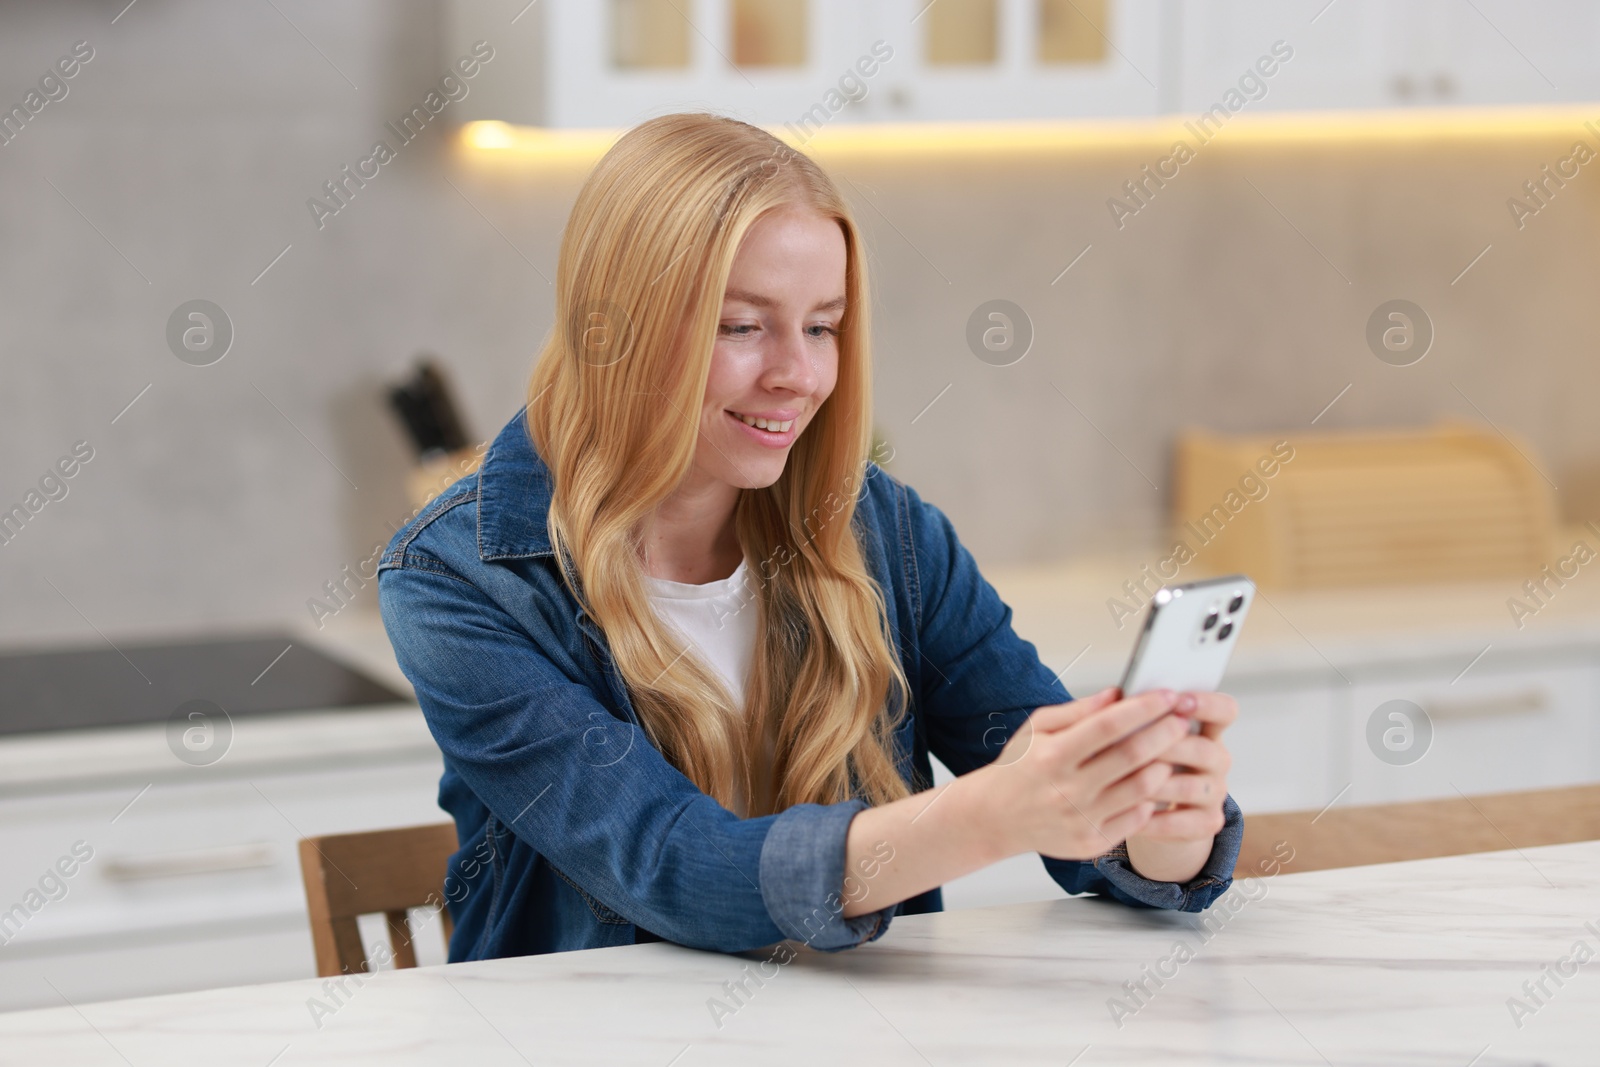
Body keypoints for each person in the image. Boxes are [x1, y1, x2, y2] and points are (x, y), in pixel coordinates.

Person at [377, 113, 1243, 962]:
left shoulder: (887, 532)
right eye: (742, 325)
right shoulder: (455, 580)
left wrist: (1158, 830)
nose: (798, 375)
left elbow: (1039, 765)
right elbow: (670, 863)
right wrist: (991, 814)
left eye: (822, 326)